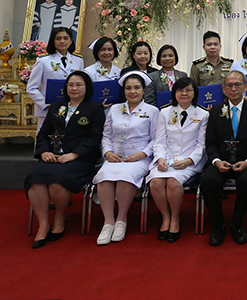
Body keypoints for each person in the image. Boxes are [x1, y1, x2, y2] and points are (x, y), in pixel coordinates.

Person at [25, 71, 104, 249]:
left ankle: (60, 217)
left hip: (80, 158)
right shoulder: (56, 106)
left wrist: (75, 154)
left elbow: (95, 138)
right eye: (71, 84)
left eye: (79, 85)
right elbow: (43, 133)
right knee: (35, 180)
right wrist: (43, 152)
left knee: (57, 183)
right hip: (53, 155)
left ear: (87, 87)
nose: (74, 88)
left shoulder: (94, 108)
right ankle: (43, 224)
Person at [93, 71, 158, 245]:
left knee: (125, 178)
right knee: (104, 178)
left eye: (137, 88)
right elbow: (106, 135)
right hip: (115, 156)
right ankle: (108, 222)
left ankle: (121, 219)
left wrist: (142, 154)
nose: (132, 91)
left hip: (139, 158)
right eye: (128, 88)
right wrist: (107, 153)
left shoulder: (152, 111)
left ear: (143, 90)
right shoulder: (115, 109)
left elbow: (156, 139)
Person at [201, 71, 247, 246]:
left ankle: (237, 224)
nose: (234, 88)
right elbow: (210, 143)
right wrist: (216, 161)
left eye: (238, 85)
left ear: (245, 87)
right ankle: (218, 225)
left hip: (246, 161)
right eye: (229, 85)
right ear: (223, 89)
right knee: (207, 181)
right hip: (221, 161)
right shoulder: (215, 111)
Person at [147, 77, 208, 243]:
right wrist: (160, 158)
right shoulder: (165, 112)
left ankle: (175, 218)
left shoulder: (203, 114)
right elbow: (159, 140)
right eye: (180, 90)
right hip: (166, 158)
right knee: (156, 183)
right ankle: (165, 217)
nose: (184, 93)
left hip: (189, 161)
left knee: (173, 182)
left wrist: (189, 160)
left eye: (188, 90)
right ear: (174, 93)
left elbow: (201, 144)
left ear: (194, 93)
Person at [26, 27, 84, 133]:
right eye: (58, 38)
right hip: (49, 109)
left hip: (72, 108)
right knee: (46, 138)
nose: (62, 41)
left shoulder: (78, 60)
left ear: (71, 40)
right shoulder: (43, 60)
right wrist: (46, 104)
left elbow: (81, 85)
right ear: (53, 41)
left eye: (65, 38)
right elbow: (31, 88)